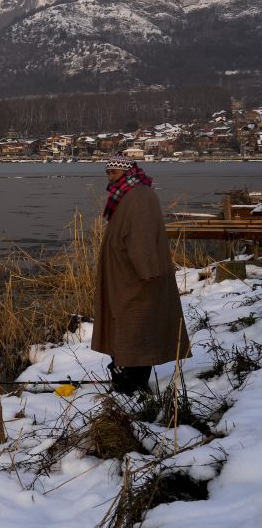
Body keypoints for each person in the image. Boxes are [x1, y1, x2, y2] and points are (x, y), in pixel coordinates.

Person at [91, 155, 191, 395]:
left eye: (113, 172)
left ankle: (131, 385)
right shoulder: (127, 195)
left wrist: (147, 271)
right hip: (128, 273)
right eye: (108, 172)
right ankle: (127, 380)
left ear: (127, 172)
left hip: (138, 277)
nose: (109, 177)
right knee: (130, 324)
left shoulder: (139, 196)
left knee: (136, 325)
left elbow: (142, 237)